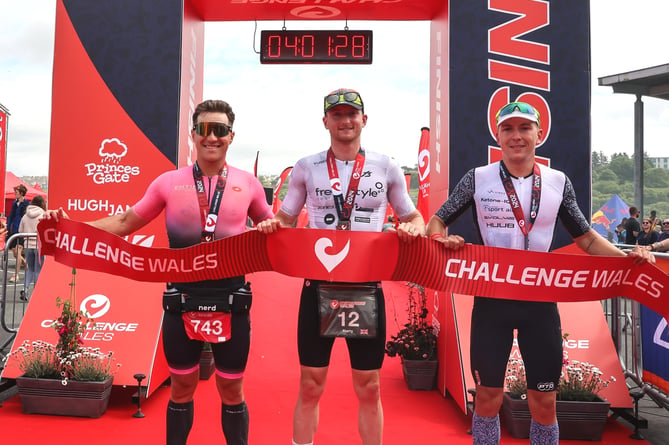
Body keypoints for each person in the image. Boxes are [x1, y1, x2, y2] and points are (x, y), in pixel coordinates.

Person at [45, 99, 273, 445]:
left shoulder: (249, 184)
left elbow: (272, 228)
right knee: (181, 388)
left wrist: (272, 228)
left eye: (221, 130)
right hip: (182, 299)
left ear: (231, 136)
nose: (212, 138)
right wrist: (69, 229)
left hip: (232, 299)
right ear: (193, 135)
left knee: (231, 388)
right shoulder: (169, 182)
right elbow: (123, 223)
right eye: (205, 130)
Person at [426, 101, 654, 445]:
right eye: (508, 129)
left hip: (540, 303)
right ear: (498, 136)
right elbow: (436, 221)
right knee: (487, 398)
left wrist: (627, 259)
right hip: (492, 301)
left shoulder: (557, 182)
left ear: (538, 134)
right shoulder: (477, 178)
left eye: (524, 128)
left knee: (544, 402)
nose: (516, 136)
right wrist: (441, 239)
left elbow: (588, 239)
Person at [256, 88, 440, 445]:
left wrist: (414, 229)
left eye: (351, 114)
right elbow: (285, 219)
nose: (345, 121)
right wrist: (269, 225)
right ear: (326, 122)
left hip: (365, 288)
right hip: (319, 286)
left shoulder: (386, 166)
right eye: (337, 115)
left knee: (369, 386)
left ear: (364, 120)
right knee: (311, 383)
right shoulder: (306, 167)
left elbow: (414, 216)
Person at [18, 195, 47, 301]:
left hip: (27, 244)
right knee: (38, 270)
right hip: (39, 245)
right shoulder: (43, 215)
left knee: (29, 269)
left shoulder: (25, 216)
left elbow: (20, 231)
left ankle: (24, 288)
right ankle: (38, 292)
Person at [6, 184, 30, 281]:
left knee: (19, 250)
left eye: (16, 192)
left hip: (22, 230)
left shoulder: (26, 204)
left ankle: (16, 275)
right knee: (15, 254)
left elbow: (26, 217)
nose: (15, 193)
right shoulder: (14, 203)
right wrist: (8, 227)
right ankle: (27, 266)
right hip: (13, 230)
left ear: (21, 193)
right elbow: (11, 216)